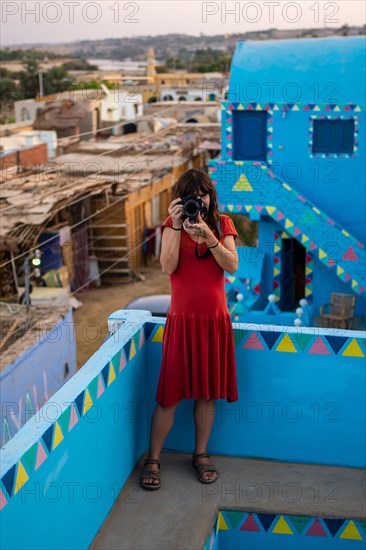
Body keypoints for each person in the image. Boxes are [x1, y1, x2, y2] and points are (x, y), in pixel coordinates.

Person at [140, 168, 239, 490]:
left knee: (207, 394)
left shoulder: (223, 224)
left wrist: (208, 237)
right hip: (182, 322)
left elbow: (231, 265)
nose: (199, 201)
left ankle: (201, 454)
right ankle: (153, 458)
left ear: (211, 197)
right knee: (170, 395)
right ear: (180, 201)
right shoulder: (172, 226)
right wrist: (176, 226)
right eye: (191, 197)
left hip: (214, 322)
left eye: (203, 195)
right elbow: (168, 267)